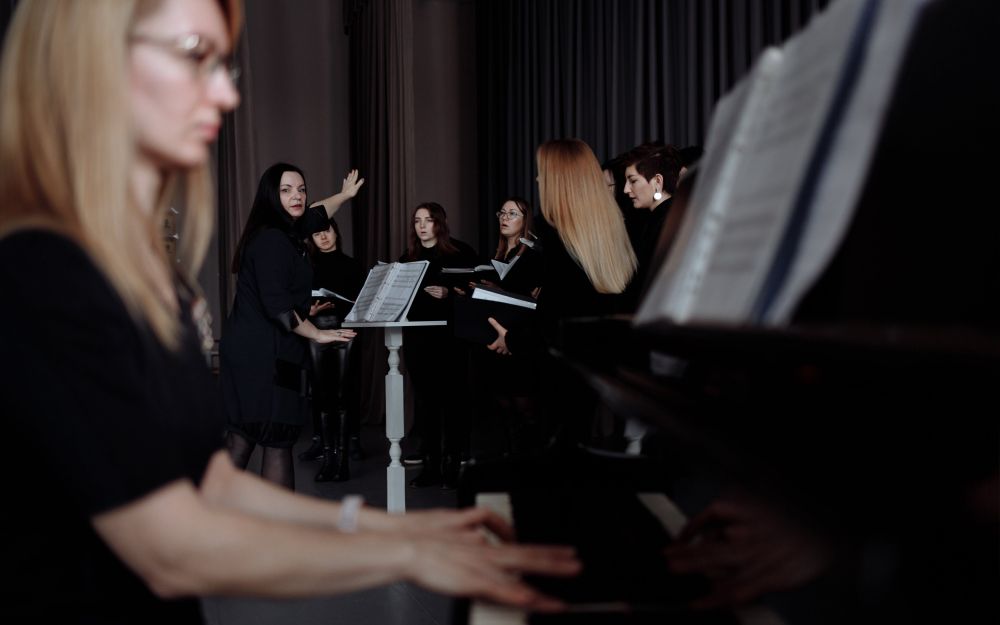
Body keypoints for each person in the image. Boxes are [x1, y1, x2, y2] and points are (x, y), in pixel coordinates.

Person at [0, 1, 579, 622]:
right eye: (194, 55)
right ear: (94, 66)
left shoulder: (133, 266)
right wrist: (403, 554)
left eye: (224, 66)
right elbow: (168, 547)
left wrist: (389, 527)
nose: (225, 94)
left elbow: (209, 481)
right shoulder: (50, 271)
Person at [486, 139, 637, 447]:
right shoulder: (609, 232)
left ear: (560, 181)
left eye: (543, 173)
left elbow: (553, 321)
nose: (538, 179)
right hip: (594, 368)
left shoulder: (557, 239)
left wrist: (512, 339)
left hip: (560, 370)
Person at [221, 162, 359, 489]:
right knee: (274, 439)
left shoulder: (285, 231)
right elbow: (279, 308)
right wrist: (318, 333)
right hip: (263, 355)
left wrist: (344, 195)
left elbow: (317, 214)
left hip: (260, 350)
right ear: (271, 196)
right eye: (286, 190)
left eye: (301, 189)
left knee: (246, 435)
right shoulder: (272, 240)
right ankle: (214, 513)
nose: (297, 196)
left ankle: (202, 512)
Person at [399, 202, 479, 487]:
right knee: (426, 404)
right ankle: (431, 466)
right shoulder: (407, 258)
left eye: (428, 220)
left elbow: (477, 294)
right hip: (418, 341)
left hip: (450, 341)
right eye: (417, 220)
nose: (422, 226)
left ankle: (452, 466)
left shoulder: (461, 253)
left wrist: (449, 294)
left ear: (440, 223)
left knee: (453, 403)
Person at [299, 206, 365, 482]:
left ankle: (343, 461)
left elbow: (364, 304)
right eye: (317, 233)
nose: (323, 237)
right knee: (322, 396)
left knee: (343, 396)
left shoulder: (354, 265)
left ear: (336, 231)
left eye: (327, 230)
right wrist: (310, 310)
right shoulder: (306, 266)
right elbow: (296, 305)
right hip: (316, 332)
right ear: (311, 239)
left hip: (346, 331)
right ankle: (329, 460)